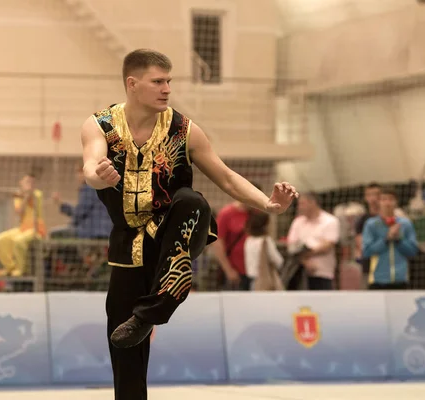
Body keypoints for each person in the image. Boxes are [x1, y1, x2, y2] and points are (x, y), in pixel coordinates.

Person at [80, 48, 298, 399]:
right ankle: (144, 321)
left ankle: (161, 301)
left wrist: (268, 204)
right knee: (123, 339)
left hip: (178, 231)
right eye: (158, 81)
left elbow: (226, 178)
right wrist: (98, 174)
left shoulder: (185, 130)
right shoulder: (99, 124)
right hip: (128, 244)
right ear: (132, 84)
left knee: (191, 199)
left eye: (169, 81)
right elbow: (91, 164)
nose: (167, 89)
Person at [362, 187, 418, 290]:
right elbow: (367, 252)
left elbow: (412, 251)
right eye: (384, 199)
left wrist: (398, 239)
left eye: (391, 199)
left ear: (396, 203)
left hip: (400, 279)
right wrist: (386, 239)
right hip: (377, 280)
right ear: (379, 202)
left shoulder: (405, 224)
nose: (387, 203)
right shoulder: (371, 224)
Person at [0, 173, 46, 277]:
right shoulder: (18, 197)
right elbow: (19, 211)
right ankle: (11, 267)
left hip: (36, 230)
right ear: (21, 183)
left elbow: (34, 200)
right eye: (27, 182)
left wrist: (26, 194)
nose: (29, 184)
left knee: (19, 241)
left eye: (31, 182)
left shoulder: (37, 194)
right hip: (22, 229)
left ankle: (21, 270)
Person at [286, 192, 340, 290]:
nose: (299, 207)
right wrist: (305, 261)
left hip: (322, 273)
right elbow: (291, 246)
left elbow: (327, 246)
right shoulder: (298, 222)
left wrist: (305, 253)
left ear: (313, 203)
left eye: (302, 203)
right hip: (298, 273)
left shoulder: (330, 221)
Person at [244, 212, 284, 291]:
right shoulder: (266, 241)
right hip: (264, 280)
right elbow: (278, 261)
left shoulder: (248, 240)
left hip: (251, 280)